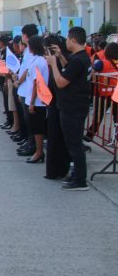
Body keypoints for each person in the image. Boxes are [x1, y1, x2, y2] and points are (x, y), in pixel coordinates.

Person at [45, 27, 91, 191]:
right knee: (73, 143)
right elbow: (69, 71)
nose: (65, 42)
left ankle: (80, 180)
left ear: (72, 40)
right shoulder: (81, 57)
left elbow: (61, 82)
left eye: (67, 39)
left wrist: (53, 64)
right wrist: (60, 57)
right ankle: (77, 174)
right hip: (76, 106)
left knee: (75, 145)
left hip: (73, 108)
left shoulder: (78, 60)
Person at [43, 34, 71, 180]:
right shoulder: (59, 60)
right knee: (54, 137)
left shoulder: (71, 60)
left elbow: (60, 82)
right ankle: (55, 170)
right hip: (54, 104)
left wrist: (55, 62)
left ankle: (61, 169)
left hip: (62, 105)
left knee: (61, 139)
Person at [24, 36, 48, 163]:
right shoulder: (37, 60)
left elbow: (36, 83)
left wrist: (32, 102)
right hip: (34, 99)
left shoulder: (39, 62)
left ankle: (39, 152)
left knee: (37, 129)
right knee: (34, 127)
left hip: (38, 101)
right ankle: (38, 151)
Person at [15, 24, 38, 156]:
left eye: (23, 34)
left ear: (26, 35)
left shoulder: (31, 51)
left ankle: (33, 145)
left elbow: (28, 70)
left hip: (28, 89)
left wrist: (19, 81)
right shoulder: (28, 50)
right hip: (25, 89)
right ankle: (30, 142)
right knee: (27, 120)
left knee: (31, 121)